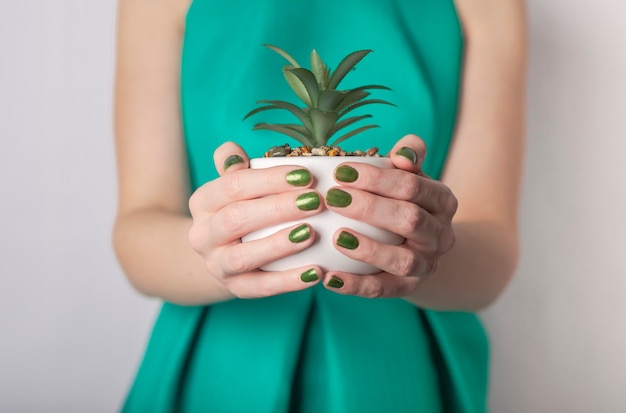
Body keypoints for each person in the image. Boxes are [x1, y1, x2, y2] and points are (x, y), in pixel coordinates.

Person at [113, 0, 526, 411]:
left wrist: (419, 248)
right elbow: (138, 224)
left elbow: (493, 243)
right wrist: (218, 250)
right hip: (220, 360)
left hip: (397, 364)